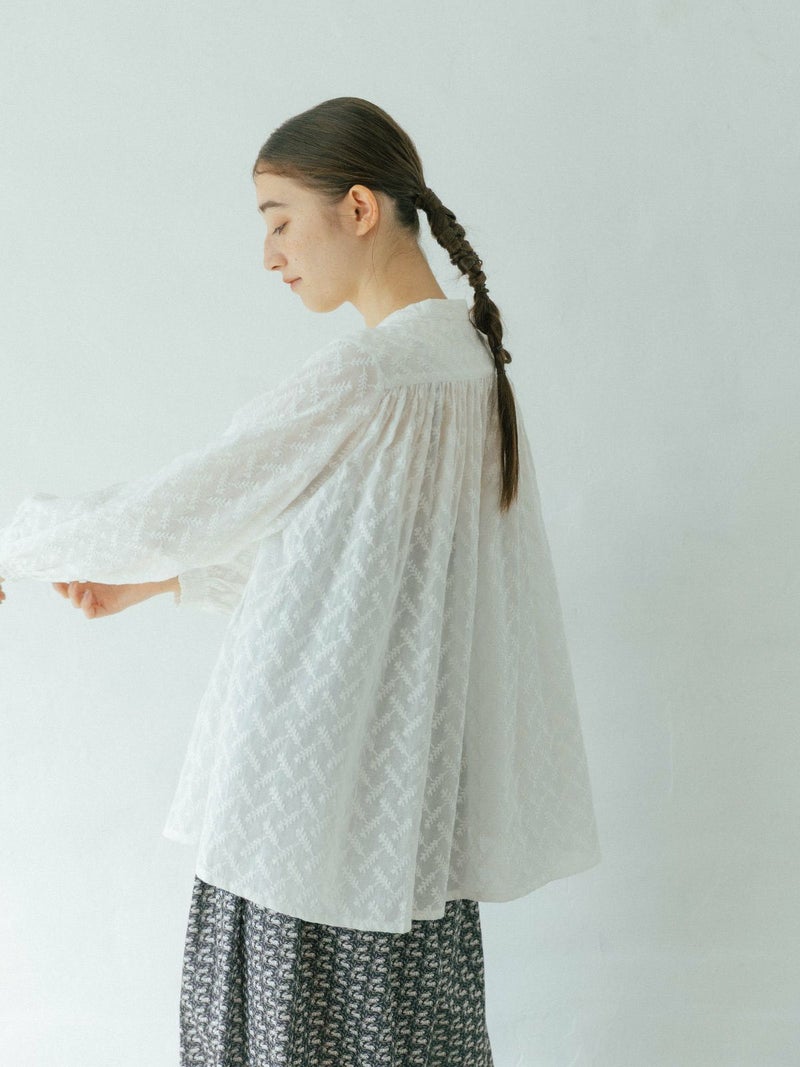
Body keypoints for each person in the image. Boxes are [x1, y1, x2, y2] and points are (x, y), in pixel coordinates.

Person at [0, 96, 602, 1066]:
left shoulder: (372, 376)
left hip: (307, 817)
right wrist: (154, 586)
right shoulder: (467, 364)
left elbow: (172, 507)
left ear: (358, 208)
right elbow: (359, 562)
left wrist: (18, 542)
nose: (270, 253)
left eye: (279, 219)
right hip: (400, 829)